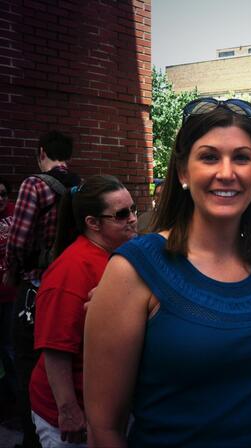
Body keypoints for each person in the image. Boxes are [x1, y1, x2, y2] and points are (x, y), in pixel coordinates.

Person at [84, 98, 251, 448]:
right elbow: (103, 427)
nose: (226, 172)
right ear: (183, 172)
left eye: (241, 158)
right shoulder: (135, 268)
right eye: (209, 157)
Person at [28, 175, 137, 448]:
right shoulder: (70, 271)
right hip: (69, 420)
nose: (133, 218)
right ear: (93, 223)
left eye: (133, 209)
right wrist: (68, 410)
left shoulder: (116, 255)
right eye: (122, 214)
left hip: (105, 410)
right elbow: (55, 348)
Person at [4, 131, 80, 448]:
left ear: (41, 152)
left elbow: (19, 240)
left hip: (35, 286)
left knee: (26, 363)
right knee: (60, 358)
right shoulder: (79, 185)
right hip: (68, 283)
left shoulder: (33, 185)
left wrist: (11, 272)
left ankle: (32, 438)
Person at [0, 177, 17, 422]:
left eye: (3, 194)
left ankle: (16, 406)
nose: (1, 199)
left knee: (11, 349)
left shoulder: (15, 213)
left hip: (12, 295)